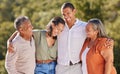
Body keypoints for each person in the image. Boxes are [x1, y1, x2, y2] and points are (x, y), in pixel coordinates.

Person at [56, 2, 87, 74]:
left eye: (68, 13)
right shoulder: (59, 26)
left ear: (74, 11)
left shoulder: (84, 26)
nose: (66, 16)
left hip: (77, 67)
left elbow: (96, 35)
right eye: (64, 14)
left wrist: (107, 41)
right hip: (61, 67)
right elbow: (48, 32)